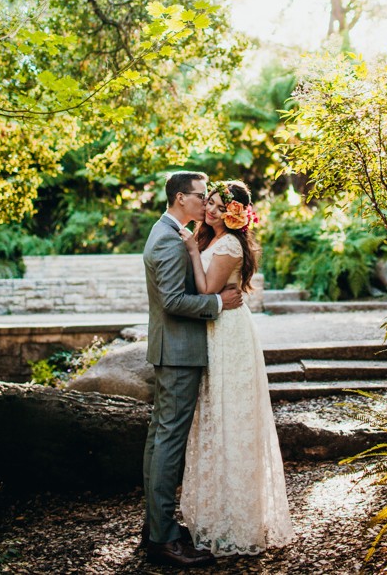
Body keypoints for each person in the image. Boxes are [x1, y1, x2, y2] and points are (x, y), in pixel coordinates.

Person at [179, 180, 295, 557]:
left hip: (229, 334)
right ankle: (214, 516)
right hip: (214, 330)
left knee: (233, 420)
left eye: (218, 206)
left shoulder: (228, 244)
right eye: (209, 203)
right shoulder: (209, 238)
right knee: (215, 419)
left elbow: (206, 289)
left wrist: (192, 253)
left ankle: (238, 522)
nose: (211, 210)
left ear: (236, 214)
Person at [142, 170, 243, 568]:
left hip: (174, 350)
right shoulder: (168, 239)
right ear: (181, 198)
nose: (206, 203)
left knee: (159, 441)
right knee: (168, 444)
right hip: (179, 351)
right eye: (201, 196)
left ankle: (155, 528)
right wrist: (219, 304)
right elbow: (172, 301)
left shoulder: (170, 232)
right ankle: (163, 539)